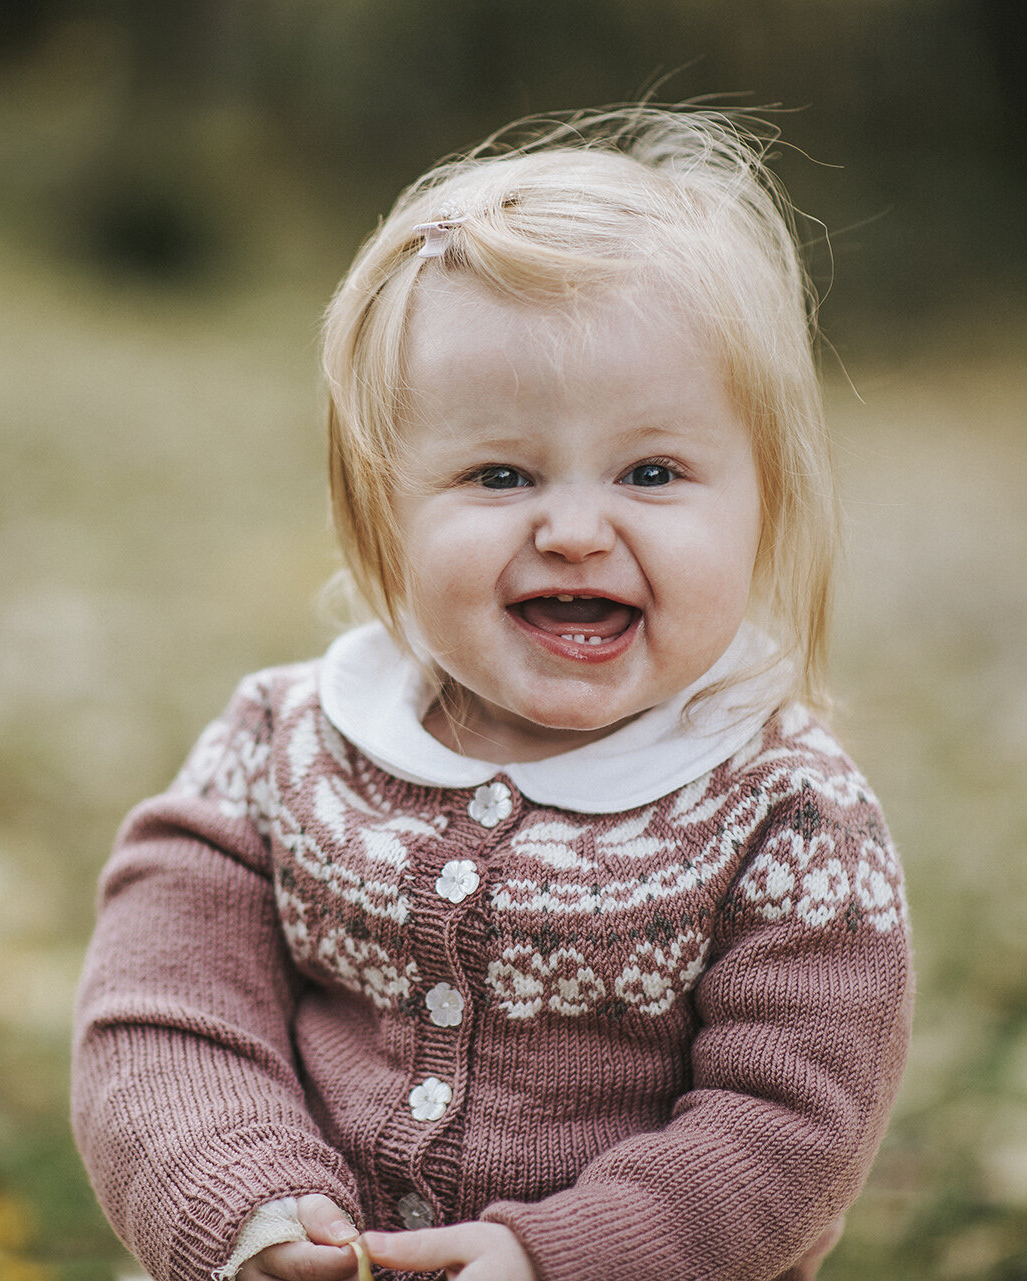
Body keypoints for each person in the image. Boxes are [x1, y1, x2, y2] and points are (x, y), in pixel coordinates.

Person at [72, 106, 913, 1281]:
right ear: (385, 508)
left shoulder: (787, 817)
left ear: (765, 502)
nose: (573, 530)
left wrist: (561, 1257)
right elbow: (165, 1008)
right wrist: (248, 1205)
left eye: (653, 472)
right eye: (500, 473)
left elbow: (785, 1134)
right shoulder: (283, 746)